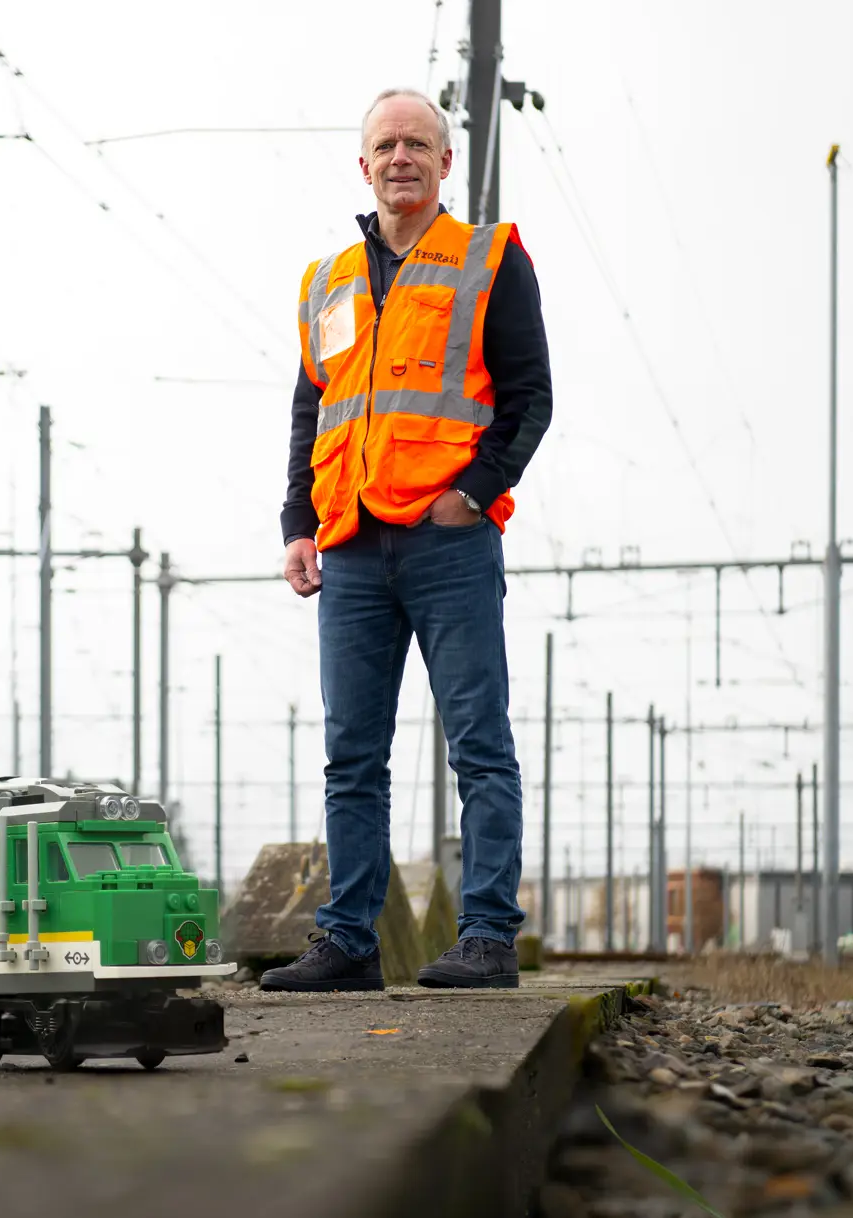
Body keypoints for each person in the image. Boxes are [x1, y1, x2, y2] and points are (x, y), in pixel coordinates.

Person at [260, 87, 552, 992]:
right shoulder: (329, 281)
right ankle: (348, 942)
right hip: (348, 545)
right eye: (386, 144)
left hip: (446, 542)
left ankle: (489, 939)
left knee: (478, 743)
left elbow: (530, 396)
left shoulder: (487, 259)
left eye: (417, 144)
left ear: (443, 162)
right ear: (364, 164)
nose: (401, 158)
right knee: (353, 756)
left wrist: (475, 491)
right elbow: (314, 408)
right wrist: (298, 524)